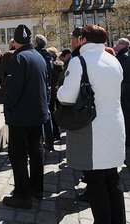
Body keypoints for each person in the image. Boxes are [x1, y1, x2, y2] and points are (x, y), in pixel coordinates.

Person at [57, 24, 126, 223]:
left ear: (84, 40)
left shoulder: (79, 61)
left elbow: (68, 97)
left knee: (96, 183)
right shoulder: (113, 60)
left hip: (92, 129)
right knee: (113, 180)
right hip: (115, 126)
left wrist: (59, 91)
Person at [2, 25, 48, 210]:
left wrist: (8, 108)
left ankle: (23, 194)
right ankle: (37, 189)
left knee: (18, 154)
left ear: (15, 40)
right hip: (37, 113)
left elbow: (13, 91)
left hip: (20, 116)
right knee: (36, 151)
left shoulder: (18, 58)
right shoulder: (39, 56)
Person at [33, 34, 54, 151]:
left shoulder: (37, 55)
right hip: (47, 88)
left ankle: (40, 142)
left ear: (36, 43)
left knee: (40, 116)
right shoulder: (48, 56)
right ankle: (49, 142)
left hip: (39, 89)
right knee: (47, 115)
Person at [114, 38, 130, 147]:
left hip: (126, 91)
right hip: (125, 90)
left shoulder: (124, 57)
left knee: (127, 115)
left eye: (118, 43)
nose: (116, 45)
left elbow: (120, 75)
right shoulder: (122, 56)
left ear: (123, 45)